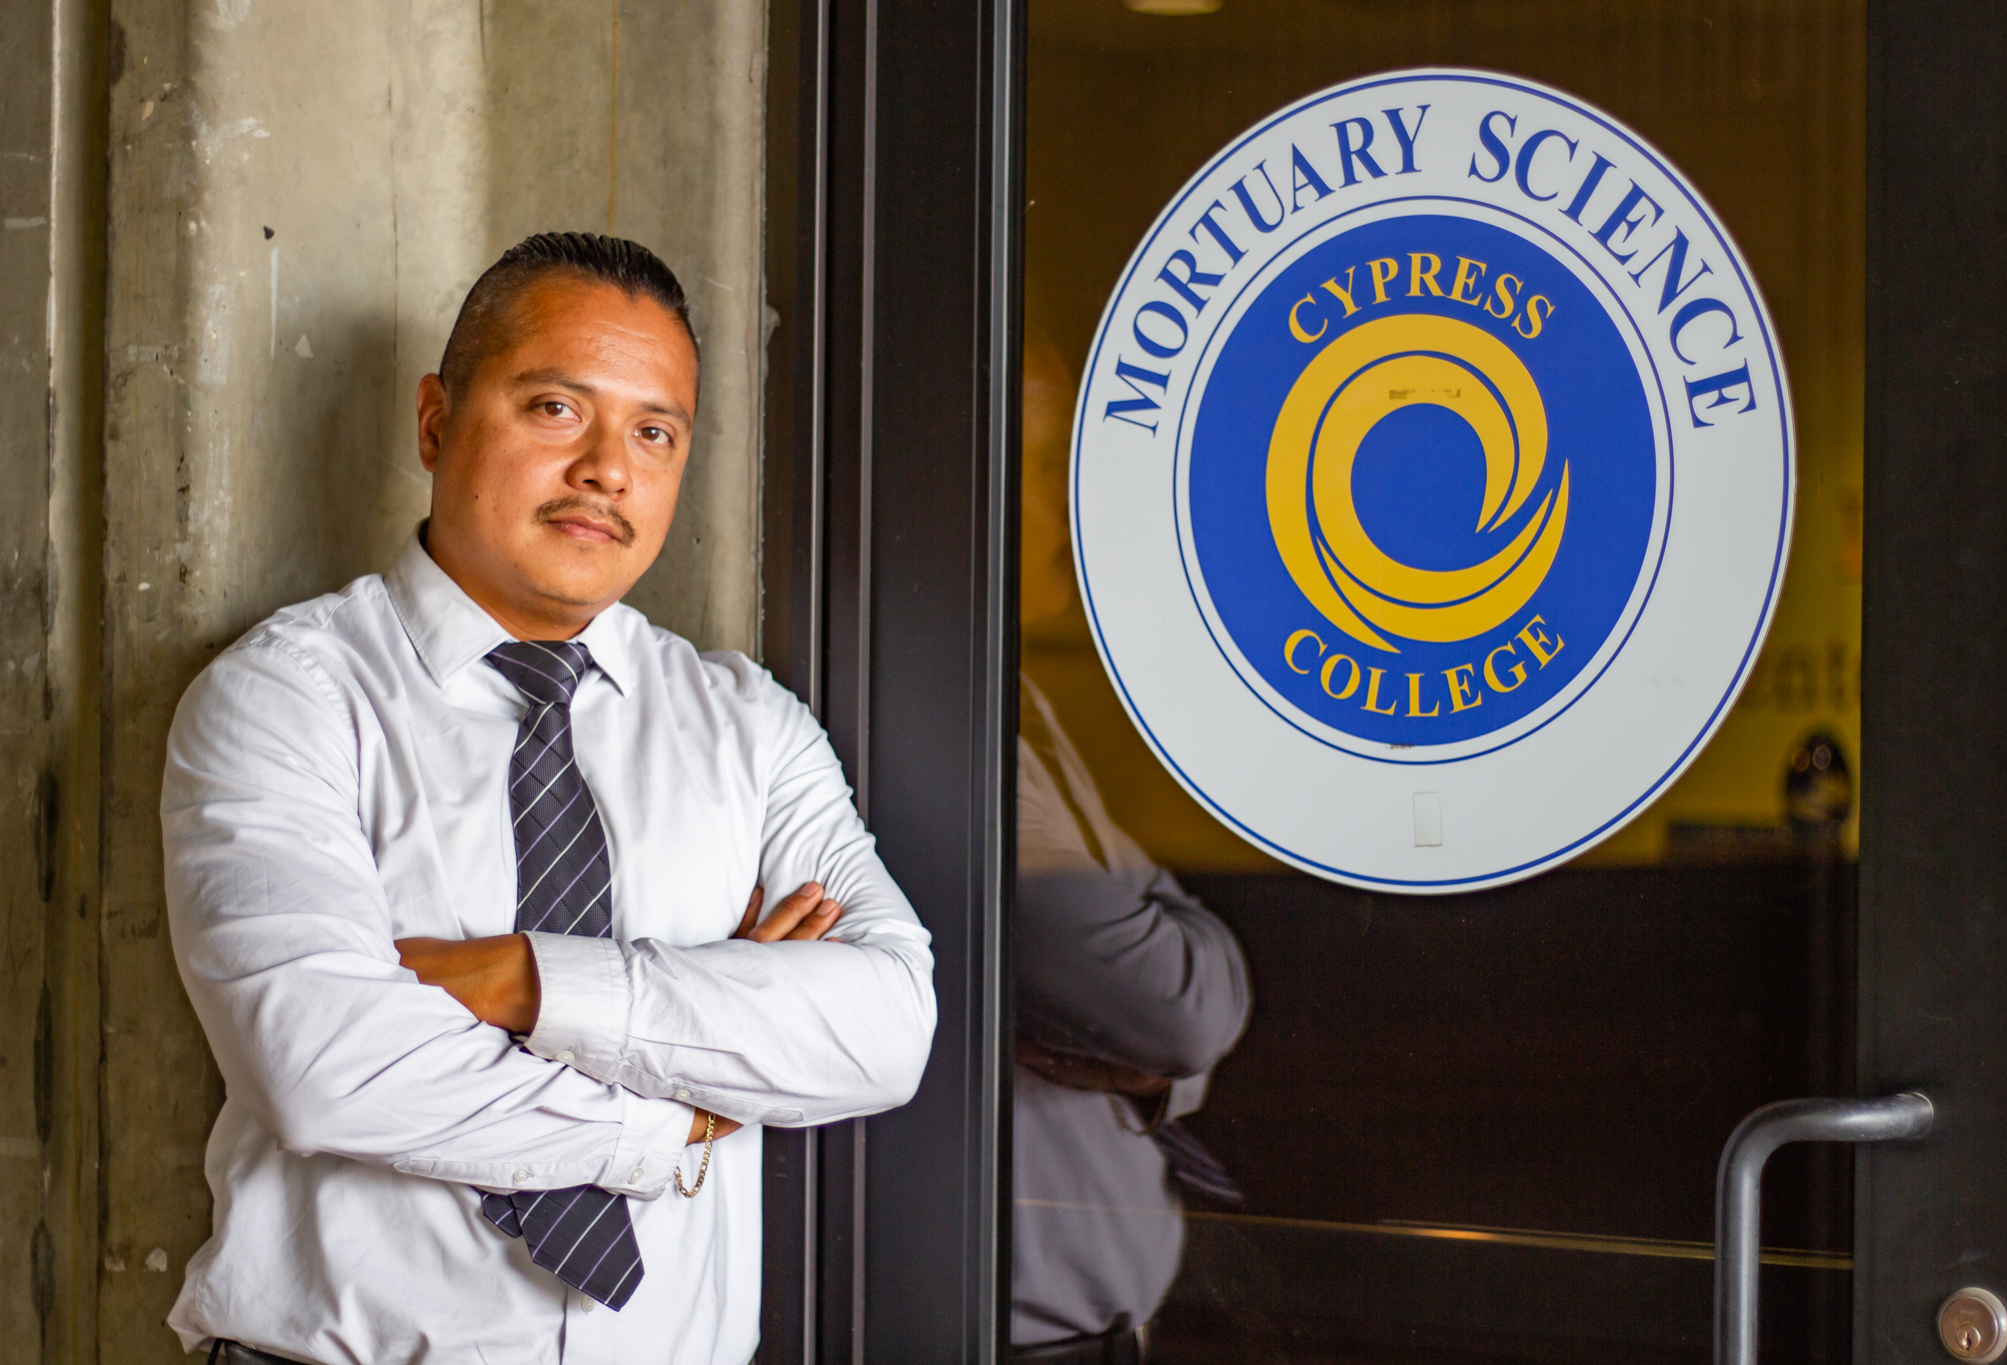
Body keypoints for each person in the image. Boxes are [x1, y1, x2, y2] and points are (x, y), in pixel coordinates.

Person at [162, 233, 935, 1365]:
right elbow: (325, 1067)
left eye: (654, 432)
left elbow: (883, 1029)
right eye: (556, 410)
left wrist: (525, 980)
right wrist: (670, 1112)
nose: (608, 471)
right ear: (435, 422)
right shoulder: (287, 698)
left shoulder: (746, 723)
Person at [1009, 332, 1252, 1363]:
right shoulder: (949, 727)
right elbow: (1178, 1005)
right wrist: (1150, 1036)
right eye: (1038, 462)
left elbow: (1163, 999)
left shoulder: (1016, 705)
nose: (1070, 503)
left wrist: (1145, 1055)